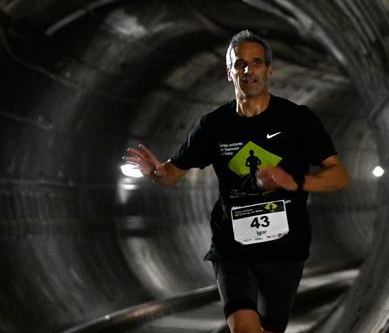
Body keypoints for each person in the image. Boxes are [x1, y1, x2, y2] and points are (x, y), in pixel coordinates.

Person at [125, 30, 350, 333]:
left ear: (269, 70)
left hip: (286, 248)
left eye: (256, 62)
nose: (248, 70)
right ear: (229, 73)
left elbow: (339, 176)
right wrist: (155, 172)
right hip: (233, 247)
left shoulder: (297, 119)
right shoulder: (213, 125)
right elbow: (172, 174)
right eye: (239, 64)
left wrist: (295, 181)